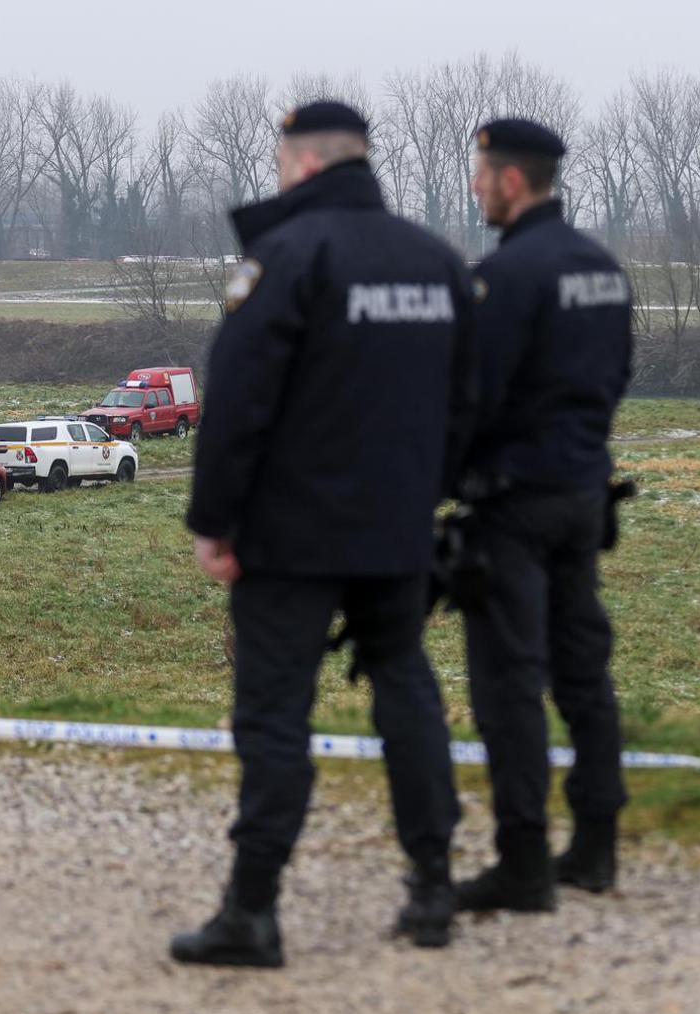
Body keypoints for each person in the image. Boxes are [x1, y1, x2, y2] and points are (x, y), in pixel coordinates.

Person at [171, 101, 478, 968]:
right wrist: (427, 492)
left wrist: (213, 523)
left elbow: (235, 406)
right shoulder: (436, 261)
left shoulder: (285, 257)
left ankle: (254, 911)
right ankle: (432, 890)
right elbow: (468, 403)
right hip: (394, 531)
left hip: (289, 538)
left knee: (274, 716)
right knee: (406, 692)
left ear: (303, 166)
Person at [454, 118, 633, 914]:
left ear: (511, 181)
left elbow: (472, 398)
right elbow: (617, 374)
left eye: (480, 174)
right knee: (585, 675)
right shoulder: (602, 268)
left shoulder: (505, 277)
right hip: (584, 496)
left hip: (515, 507)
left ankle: (523, 863)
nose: (475, 187)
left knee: (509, 684)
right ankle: (595, 849)